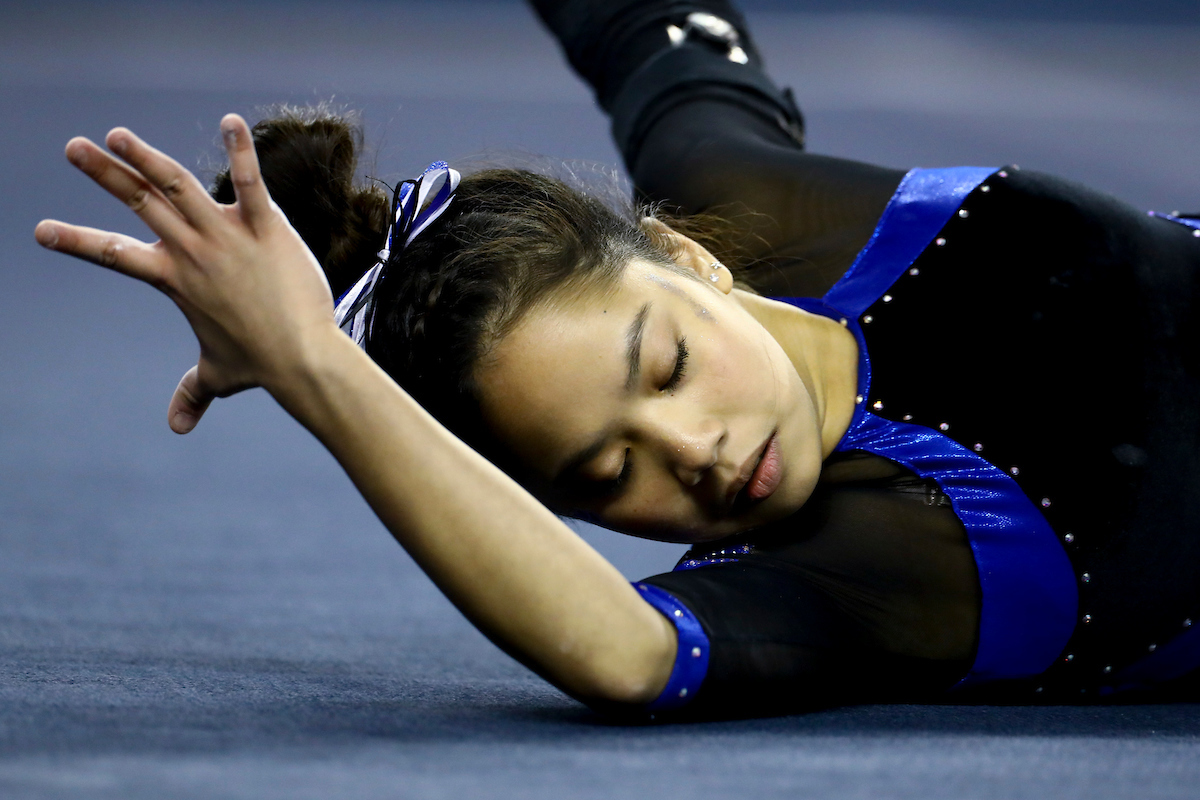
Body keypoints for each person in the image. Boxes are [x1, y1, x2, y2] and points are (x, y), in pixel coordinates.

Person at [34, 0, 1200, 718]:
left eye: (667, 365)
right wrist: (308, 363)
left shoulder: (743, 192)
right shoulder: (846, 575)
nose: (693, 454)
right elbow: (625, 654)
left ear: (686, 254)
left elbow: (634, 18)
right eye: (605, 473)